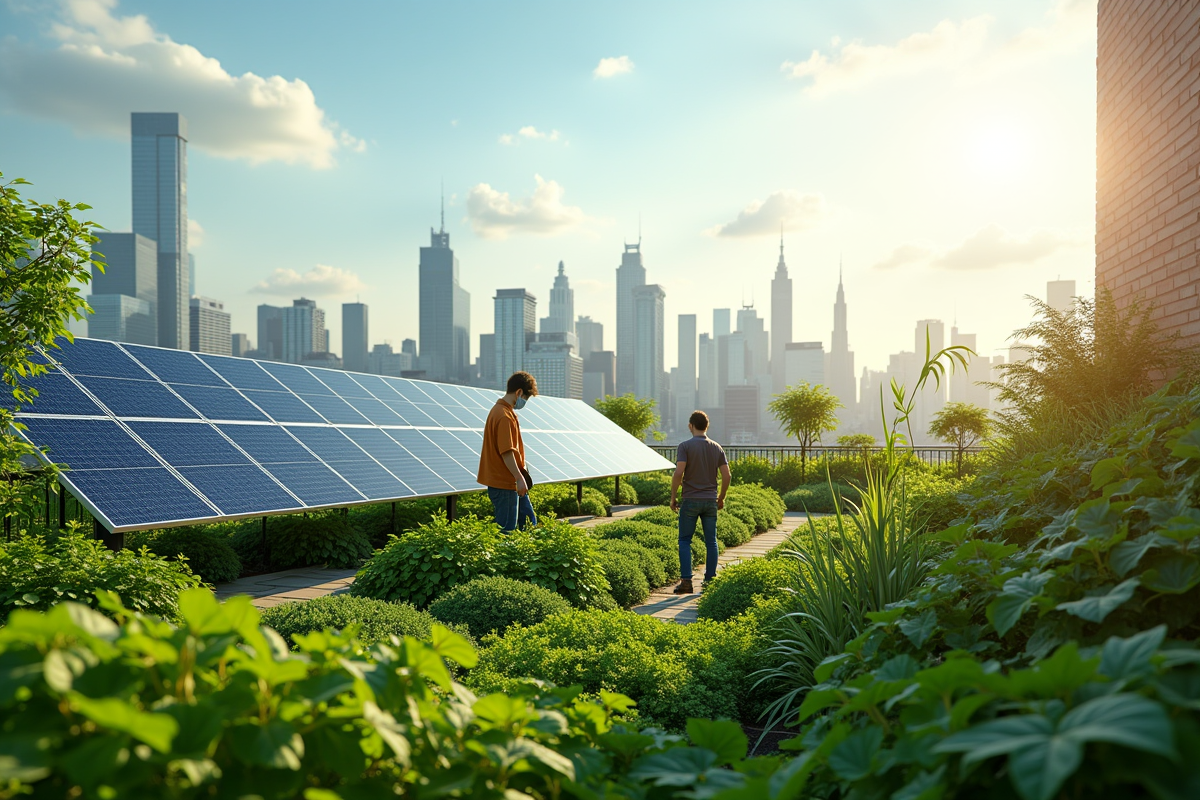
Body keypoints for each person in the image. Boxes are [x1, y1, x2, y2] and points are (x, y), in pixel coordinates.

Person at [669, 410, 731, 594]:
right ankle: (710, 581)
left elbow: (679, 473)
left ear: (691, 426)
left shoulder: (685, 446)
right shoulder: (717, 447)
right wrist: (721, 497)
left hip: (690, 500)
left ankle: (686, 582)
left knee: (685, 541)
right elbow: (727, 475)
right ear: (707, 426)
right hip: (710, 500)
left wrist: (673, 497)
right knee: (711, 541)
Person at [477, 371, 539, 531]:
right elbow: (507, 451)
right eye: (525, 398)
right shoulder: (504, 416)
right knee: (507, 531)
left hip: (510, 482)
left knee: (528, 522)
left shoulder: (502, 411)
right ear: (519, 392)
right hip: (505, 483)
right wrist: (519, 478)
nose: (524, 402)